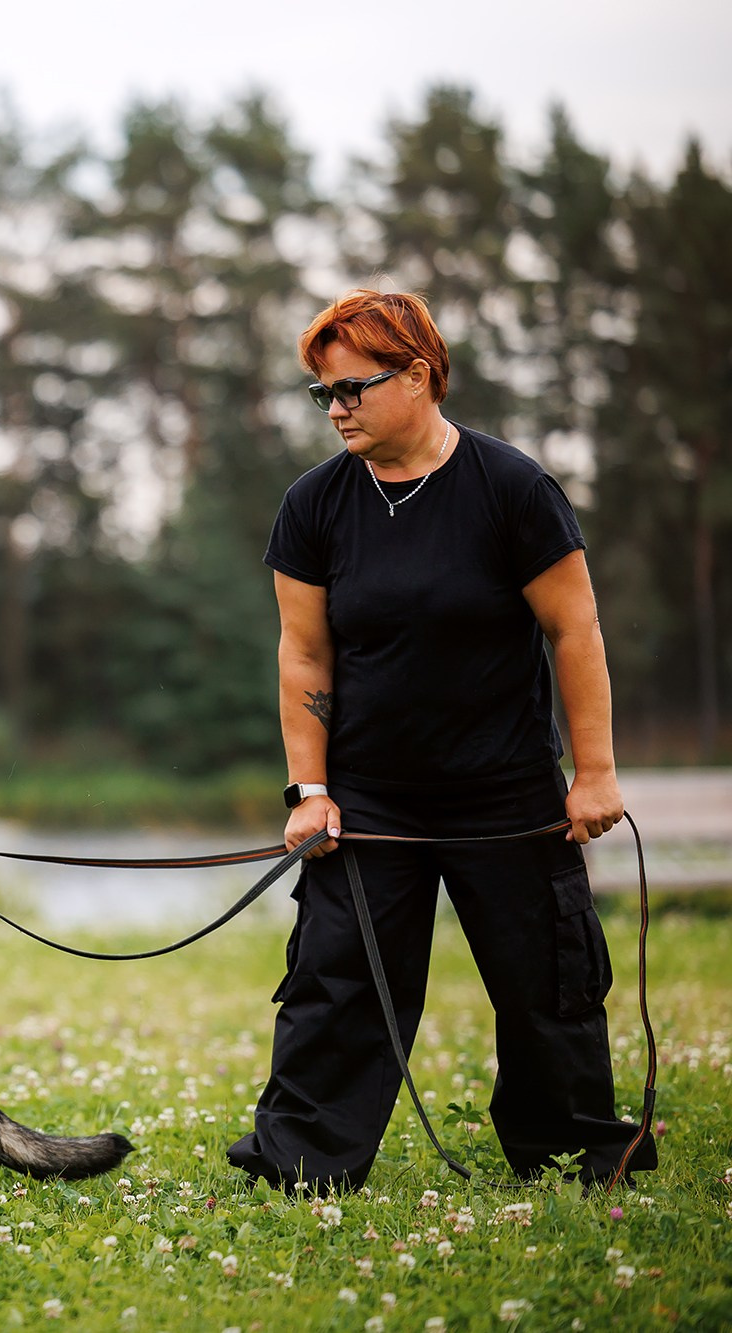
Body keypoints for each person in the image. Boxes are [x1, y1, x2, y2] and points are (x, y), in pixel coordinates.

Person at [226, 289, 655, 1193]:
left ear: (419, 376)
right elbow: (303, 653)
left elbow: (575, 631)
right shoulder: (314, 504)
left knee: (546, 985)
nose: (335, 408)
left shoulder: (513, 489)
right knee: (334, 982)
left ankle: (571, 1155)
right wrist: (309, 789)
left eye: (352, 388)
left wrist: (595, 772)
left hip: (508, 791)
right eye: (322, 393)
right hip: (368, 797)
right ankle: (302, 1164)